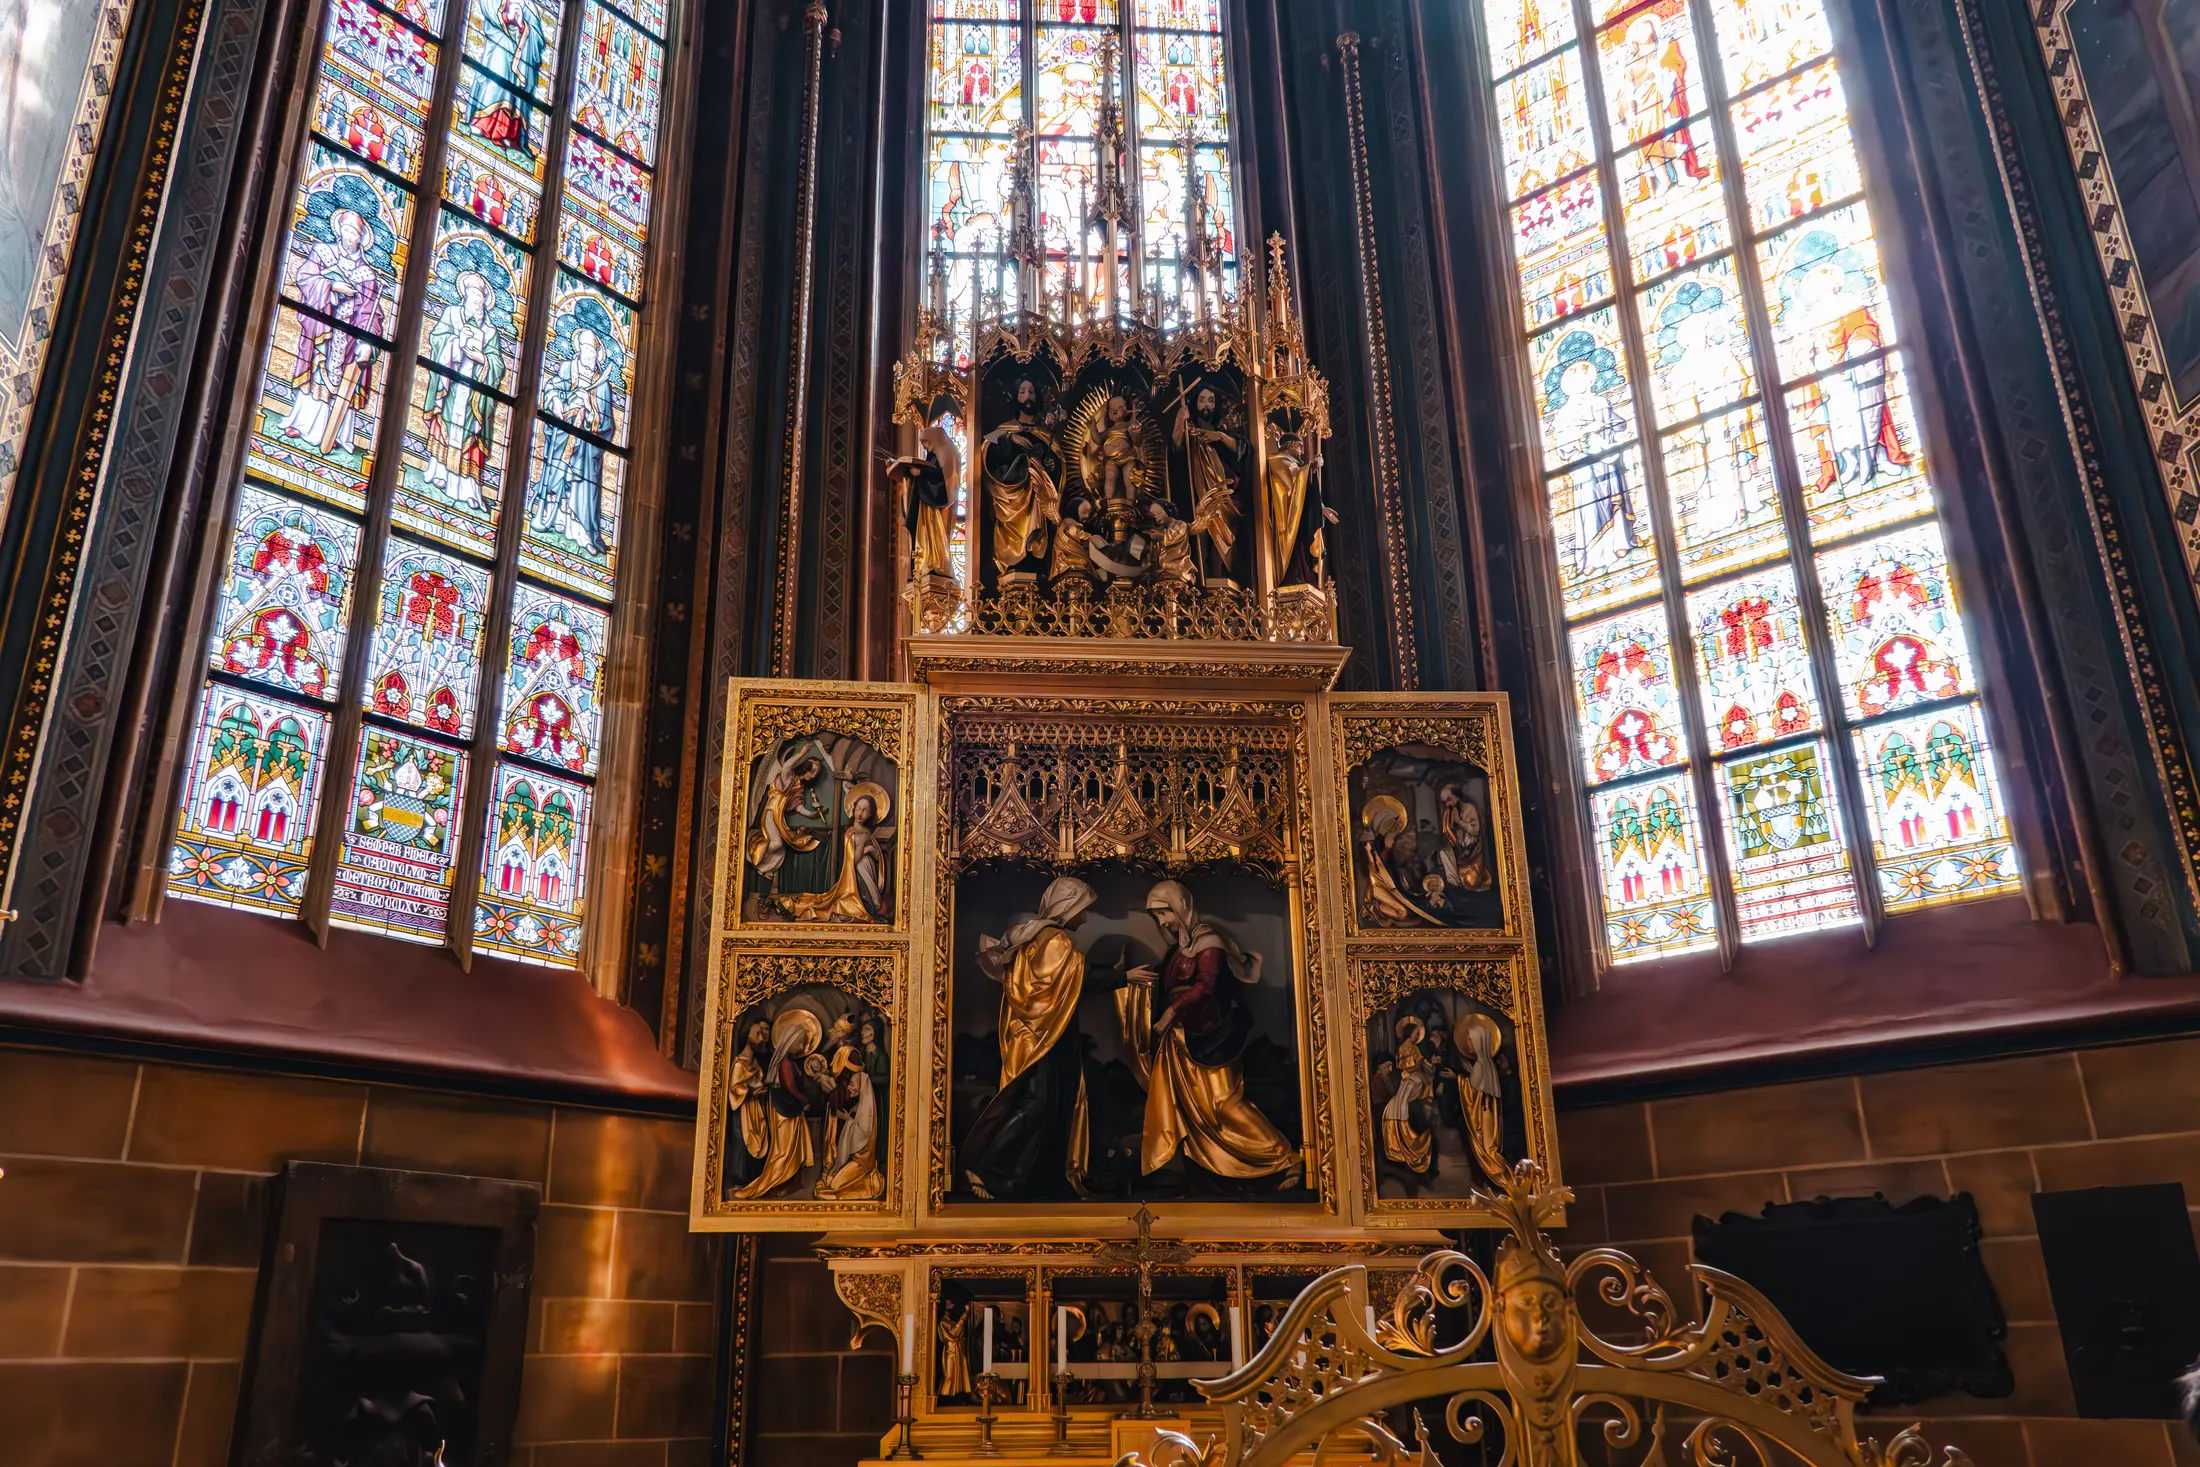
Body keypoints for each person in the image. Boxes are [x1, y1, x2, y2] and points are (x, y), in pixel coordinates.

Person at [1116, 880, 1301, 1184]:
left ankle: (1284, 1157)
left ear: (1181, 908)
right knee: (1180, 1105)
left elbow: (1205, 987)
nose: (1162, 922)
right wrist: (1128, 978)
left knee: (1225, 1106)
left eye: (1164, 914)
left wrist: (1171, 1013)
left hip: (1209, 1036)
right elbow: (1166, 982)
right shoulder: (1178, 949)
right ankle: (1185, 1166)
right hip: (1180, 1038)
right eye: (1157, 917)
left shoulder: (1209, 944)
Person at [957, 877, 1098, 1200]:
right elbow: (1072, 981)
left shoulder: (1036, 935)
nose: (1086, 917)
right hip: (1043, 1036)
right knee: (1037, 1104)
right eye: (1084, 909)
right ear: (1069, 907)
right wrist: (1124, 976)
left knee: (1045, 1107)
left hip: (1041, 1034)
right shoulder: (1056, 941)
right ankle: (987, 1166)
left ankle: (1024, 1180)